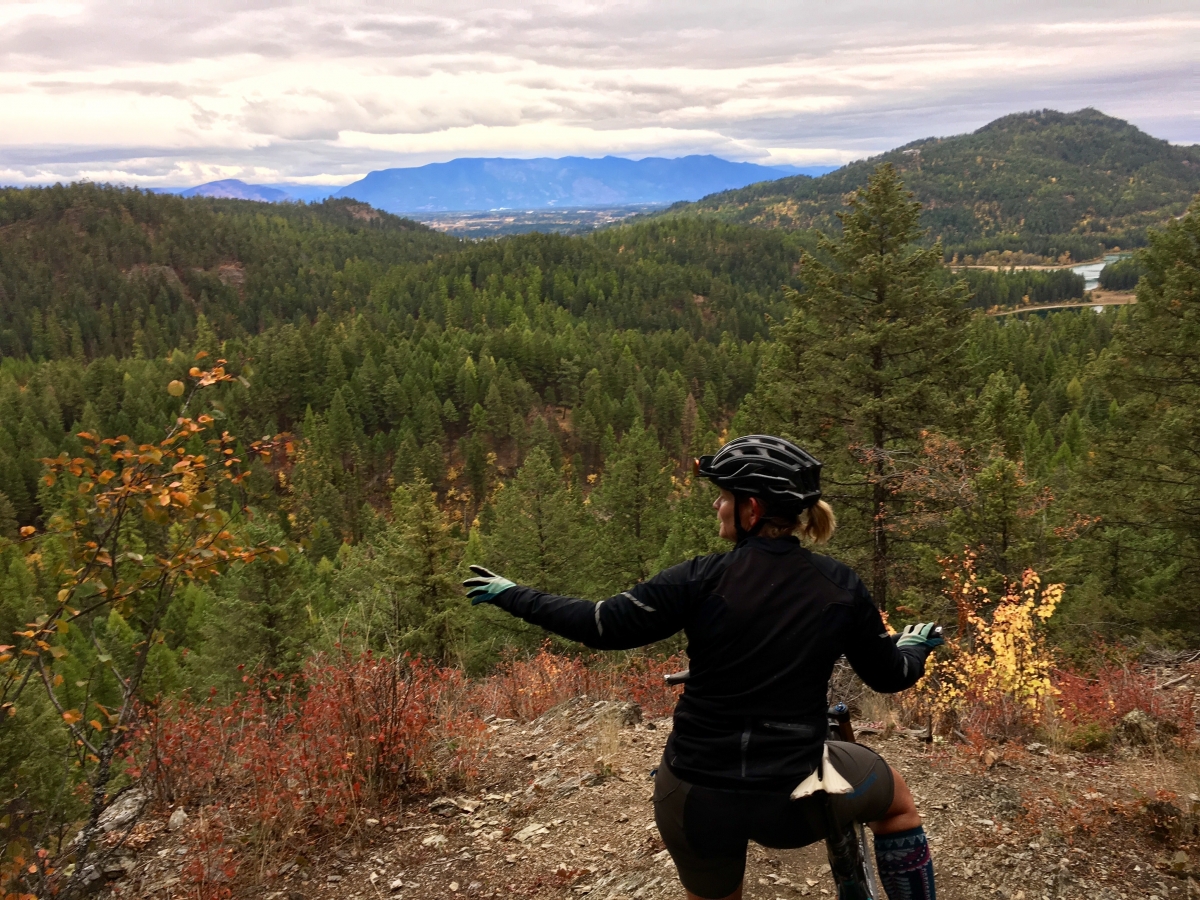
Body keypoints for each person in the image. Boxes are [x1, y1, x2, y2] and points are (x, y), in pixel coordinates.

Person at [464, 435, 942, 900]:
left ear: (751, 510)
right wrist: (915, 646)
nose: (717, 506)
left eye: (723, 497)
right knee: (897, 806)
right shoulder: (841, 586)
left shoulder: (697, 579)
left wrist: (511, 594)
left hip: (697, 796)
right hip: (795, 798)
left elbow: (599, 625)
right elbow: (889, 676)